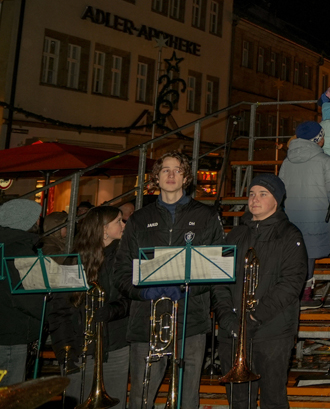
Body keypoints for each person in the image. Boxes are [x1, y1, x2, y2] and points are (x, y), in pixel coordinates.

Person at [115, 151, 225, 409]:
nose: (172, 175)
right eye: (166, 170)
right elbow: (120, 271)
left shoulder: (207, 216)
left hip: (191, 321)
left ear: (186, 177)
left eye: (178, 170)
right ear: (156, 178)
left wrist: (188, 287)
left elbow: (218, 269)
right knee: (140, 399)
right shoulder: (139, 219)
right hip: (146, 321)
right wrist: (143, 293)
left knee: (187, 400)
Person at [214, 175, 306, 409]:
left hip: (272, 332)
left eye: (263, 194)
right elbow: (219, 280)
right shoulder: (235, 235)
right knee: (238, 401)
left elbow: (291, 284)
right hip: (233, 332)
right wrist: (226, 317)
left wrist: (254, 317)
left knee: (273, 399)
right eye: (252, 194)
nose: (255, 199)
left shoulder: (290, 236)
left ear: (277, 200)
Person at [48, 206, 131, 409]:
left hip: (115, 346)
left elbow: (132, 297)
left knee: (115, 401)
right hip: (79, 346)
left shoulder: (125, 257)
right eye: (119, 221)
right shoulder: (74, 260)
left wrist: (112, 310)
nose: (124, 225)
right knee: (75, 400)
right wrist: (65, 351)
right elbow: (60, 309)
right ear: (103, 229)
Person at [279, 119, 330, 306]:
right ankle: (305, 295)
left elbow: (280, 191)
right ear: (318, 139)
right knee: (309, 256)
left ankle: (291, 295)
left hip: (291, 217)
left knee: (293, 257)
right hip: (315, 215)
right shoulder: (325, 161)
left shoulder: (286, 162)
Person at [0, 199, 53, 383]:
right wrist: (52, 312)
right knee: (10, 393)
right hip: (12, 333)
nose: (40, 222)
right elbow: (27, 297)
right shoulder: (20, 251)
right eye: (37, 218)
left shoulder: (4, 245)